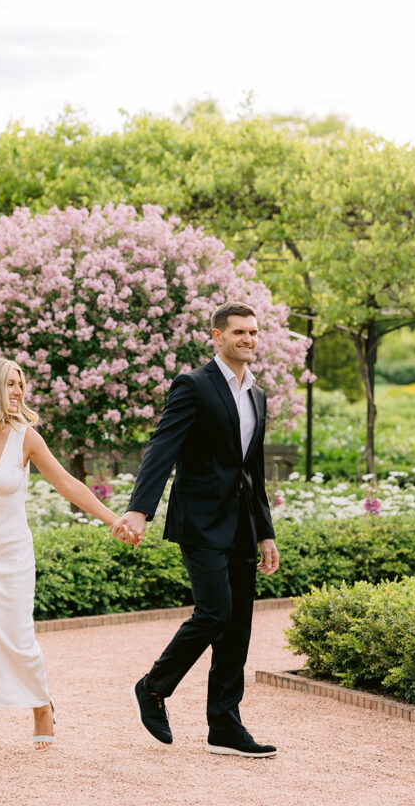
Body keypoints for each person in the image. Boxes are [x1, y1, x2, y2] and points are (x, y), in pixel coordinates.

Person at [0, 356, 131, 771]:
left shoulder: (26, 437)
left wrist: (113, 519)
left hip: (12, 555)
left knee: (19, 639)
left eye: (22, 384)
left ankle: (41, 704)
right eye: (11, 384)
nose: (19, 391)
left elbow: (66, 483)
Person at [113, 301, 280, 758]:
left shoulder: (257, 395)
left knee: (238, 626)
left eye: (254, 332)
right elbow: (162, 447)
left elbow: (253, 471)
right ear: (216, 335)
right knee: (215, 612)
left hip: (243, 526)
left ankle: (225, 726)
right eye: (239, 332)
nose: (248, 339)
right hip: (200, 522)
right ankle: (152, 687)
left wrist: (265, 532)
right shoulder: (193, 384)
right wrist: (139, 510)